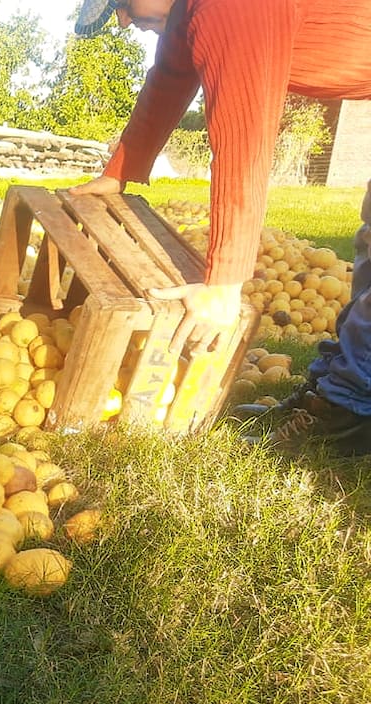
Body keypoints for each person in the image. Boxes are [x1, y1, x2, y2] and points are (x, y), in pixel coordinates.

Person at [69, 0, 371, 456]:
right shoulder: (185, 15)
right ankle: (341, 389)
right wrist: (119, 172)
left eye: (123, 2)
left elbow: (244, 137)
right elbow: (168, 79)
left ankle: (347, 411)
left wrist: (224, 284)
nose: (123, 19)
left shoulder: (226, 7)